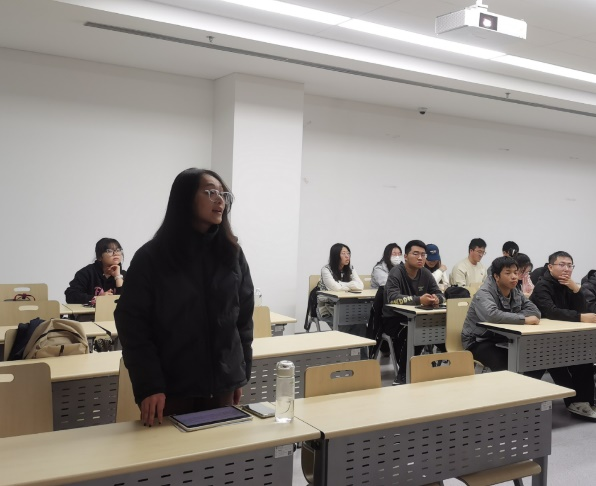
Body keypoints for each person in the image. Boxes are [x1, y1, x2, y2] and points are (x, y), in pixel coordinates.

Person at [114, 168, 254, 427]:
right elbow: (132, 324)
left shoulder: (232, 254)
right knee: (170, 453)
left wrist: (240, 374)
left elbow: (243, 320)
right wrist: (149, 385)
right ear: (185, 198)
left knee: (221, 452)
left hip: (222, 386)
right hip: (169, 390)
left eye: (223, 194)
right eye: (210, 192)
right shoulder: (152, 257)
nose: (220, 200)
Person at [530, 250, 596, 419]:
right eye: (562, 265)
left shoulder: (568, 284)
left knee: (585, 357)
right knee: (559, 361)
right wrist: (580, 317)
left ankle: (586, 400)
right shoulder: (542, 285)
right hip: (540, 340)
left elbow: (582, 309)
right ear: (550, 267)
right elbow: (551, 312)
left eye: (570, 265)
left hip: (564, 337)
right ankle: (576, 401)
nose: (566, 269)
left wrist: (576, 290)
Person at [462, 256, 541, 372]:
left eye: (515, 272)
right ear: (496, 276)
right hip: (479, 340)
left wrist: (510, 316)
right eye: (508, 273)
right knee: (504, 362)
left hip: (504, 337)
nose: (514, 277)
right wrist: (523, 319)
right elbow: (492, 315)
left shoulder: (515, 291)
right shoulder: (484, 292)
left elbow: (535, 311)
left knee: (535, 357)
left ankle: (523, 383)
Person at [382, 240, 445, 383]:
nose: (420, 258)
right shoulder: (396, 272)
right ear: (405, 256)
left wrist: (437, 299)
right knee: (416, 332)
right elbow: (392, 298)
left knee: (444, 333)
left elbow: (440, 294)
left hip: (418, 319)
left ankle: (454, 368)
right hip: (394, 319)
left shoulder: (425, 273)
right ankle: (403, 375)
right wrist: (419, 300)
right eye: (416, 254)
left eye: (423, 255)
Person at [64, 238, 125, 304]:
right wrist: (97, 299)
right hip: (90, 311)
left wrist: (118, 277)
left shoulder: (124, 274)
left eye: (118, 250)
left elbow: (127, 300)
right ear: (99, 256)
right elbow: (71, 295)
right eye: (109, 251)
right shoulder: (86, 273)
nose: (115, 253)